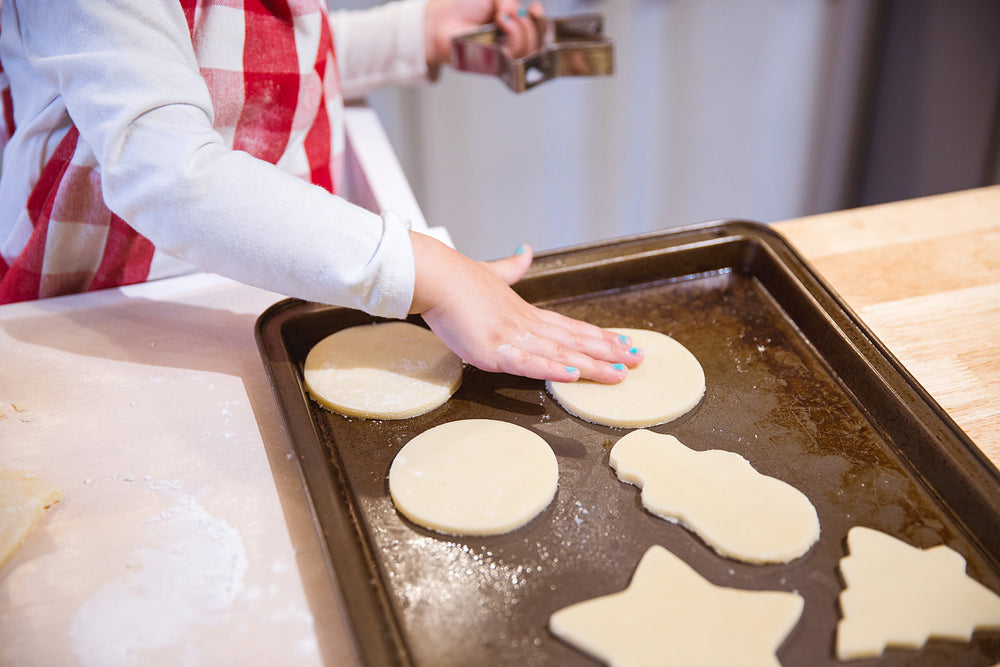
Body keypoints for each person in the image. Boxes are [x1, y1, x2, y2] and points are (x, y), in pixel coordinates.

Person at [0, 0, 642, 383]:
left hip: (258, 277)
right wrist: (429, 272)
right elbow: (161, 168)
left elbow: (252, 59)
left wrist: (416, 31)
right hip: (112, 318)